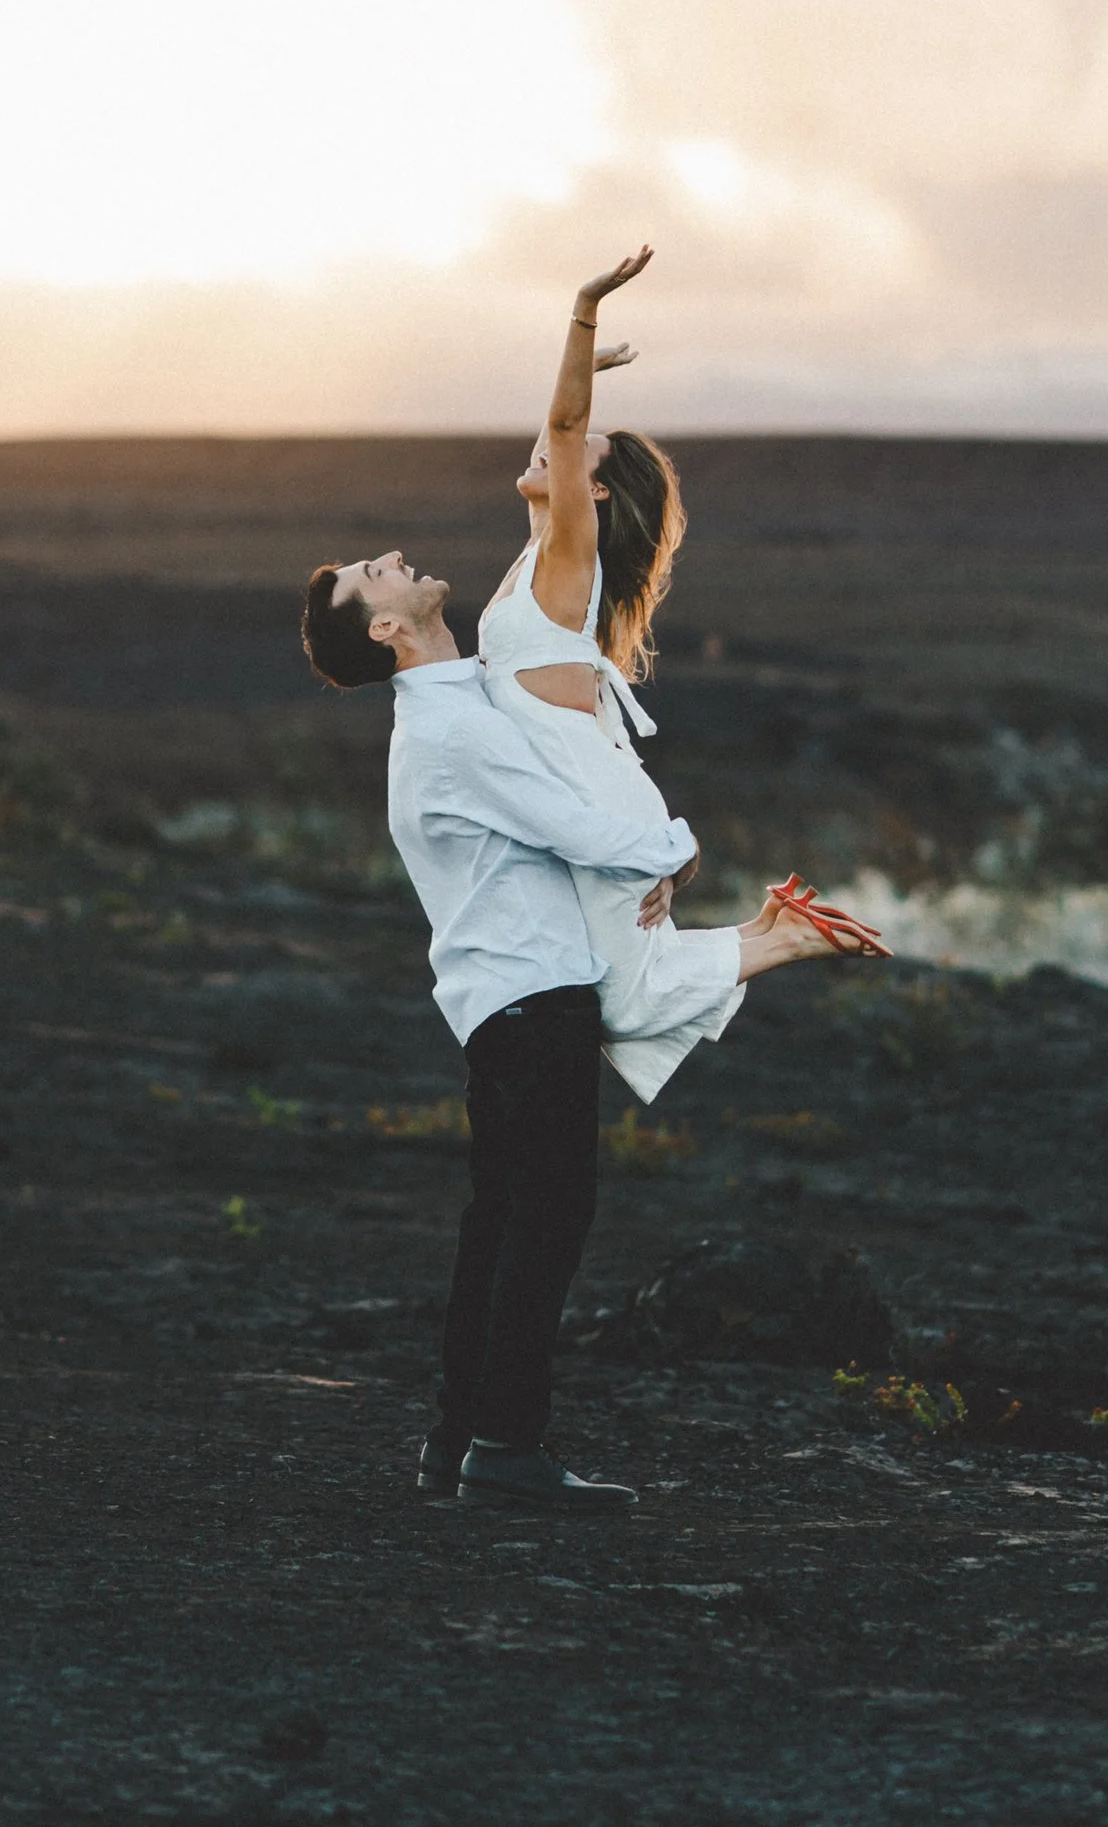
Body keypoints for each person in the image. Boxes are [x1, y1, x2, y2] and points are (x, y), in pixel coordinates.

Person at [300, 527, 872, 1516]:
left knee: (499, 1228)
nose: (390, 555)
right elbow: (568, 822)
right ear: (389, 627)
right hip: (531, 1006)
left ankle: (457, 1442)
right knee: (544, 1228)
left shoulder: (459, 702)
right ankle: (506, 1449)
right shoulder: (448, 730)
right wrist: (674, 848)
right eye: (372, 572)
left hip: (510, 1008)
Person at [476, 244, 879, 1102]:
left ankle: (781, 943)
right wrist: (587, 372)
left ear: (598, 498)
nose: (548, 449)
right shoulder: (536, 559)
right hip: (576, 801)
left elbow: (560, 430)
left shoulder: (565, 561)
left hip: (594, 805)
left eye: (574, 450)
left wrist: (584, 314)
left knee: (623, 1004)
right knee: (616, 990)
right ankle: (778, 935)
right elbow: (556, 436)